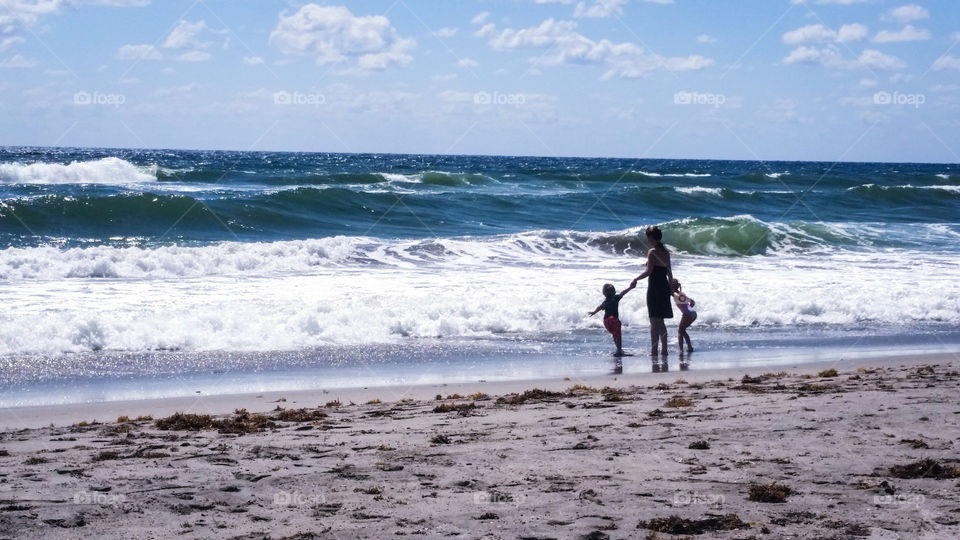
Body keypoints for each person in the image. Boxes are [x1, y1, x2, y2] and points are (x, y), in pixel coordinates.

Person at [634, 226, 673, 357]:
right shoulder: (667, 253)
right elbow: (670, 273)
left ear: (652, 237)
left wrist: (636, 278)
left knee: (653, 321)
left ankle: (654, 350)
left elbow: (648, 272)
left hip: (655, 288)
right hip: (664, 287)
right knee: (660, 321)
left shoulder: (652, 252)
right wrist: (671, 289)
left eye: (648, 237)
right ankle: (664, 350)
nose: (648, 240)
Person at [588, 279, 638, 356]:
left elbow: (599, 307)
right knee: (618, 334)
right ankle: (619, 350)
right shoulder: (616, 298)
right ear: (614, 292)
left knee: (615, 334)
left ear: (604, 293)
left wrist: (594, 312)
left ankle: (618, 349)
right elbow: (623, 293)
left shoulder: (605, 302)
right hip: (613, 320)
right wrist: (630, 287)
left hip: (606, 321)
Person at [672, 278, 697, 354]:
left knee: (681, 331)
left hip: (688, 314)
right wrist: (688, 306)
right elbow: (692, 302)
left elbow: (677, 296)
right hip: (693, 313)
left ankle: (684, 349)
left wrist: (685, 308)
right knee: (682, 330)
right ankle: (686, 348)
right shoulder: (681, 293)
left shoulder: (676, 294)